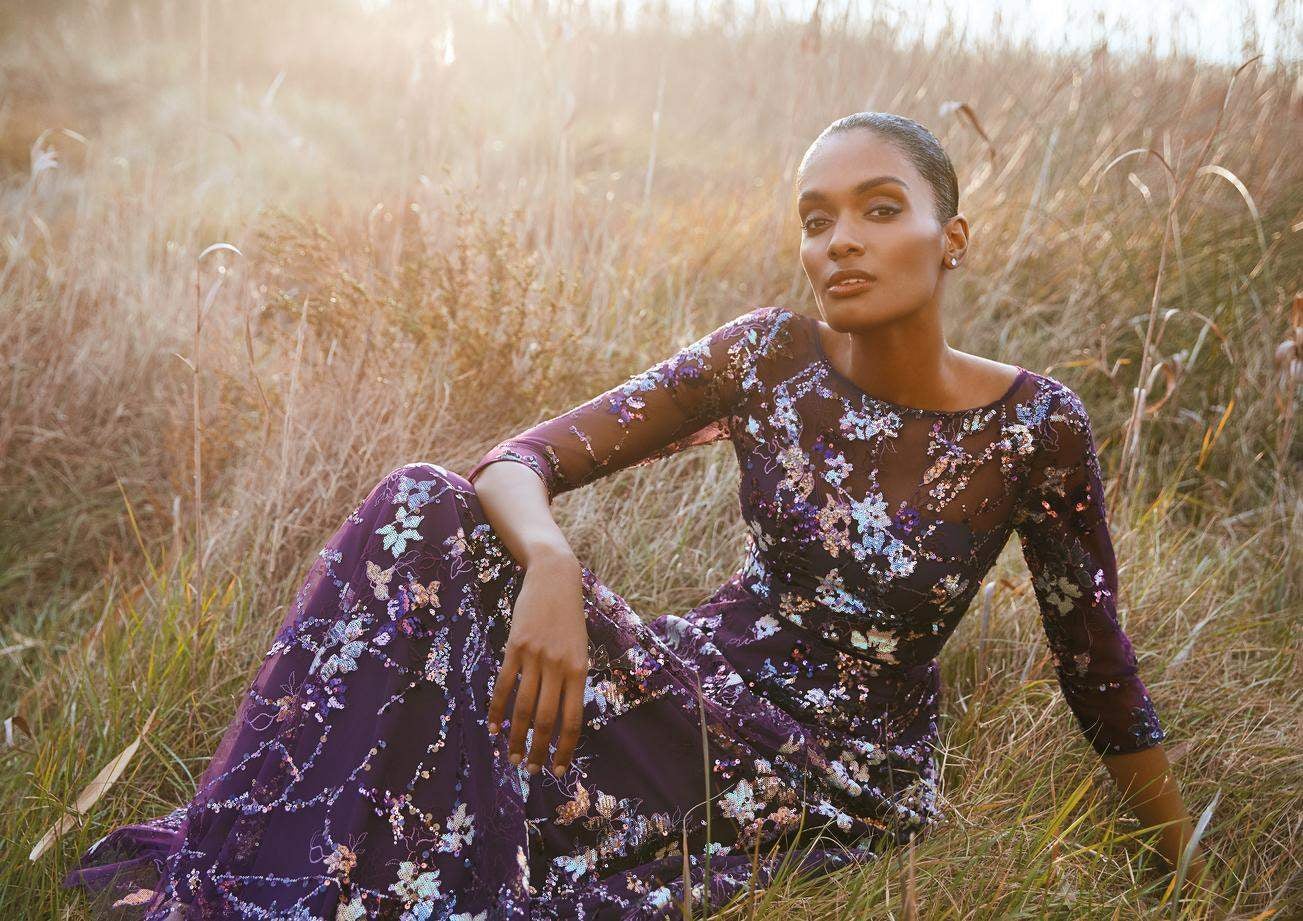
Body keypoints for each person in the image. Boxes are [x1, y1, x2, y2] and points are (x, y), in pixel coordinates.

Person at [63, 112, 1205, 919]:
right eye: (816, 217)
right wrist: (549, 564)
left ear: (951, 237)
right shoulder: (765, 355)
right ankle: (232, 875)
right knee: (421, 502)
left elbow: (1094, 661)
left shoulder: (1034, 426)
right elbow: (515, 461)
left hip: (832, 764)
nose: (839, 239)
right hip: (688, 676)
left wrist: (1179, 872)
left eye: (878, 208)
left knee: (482, 785)